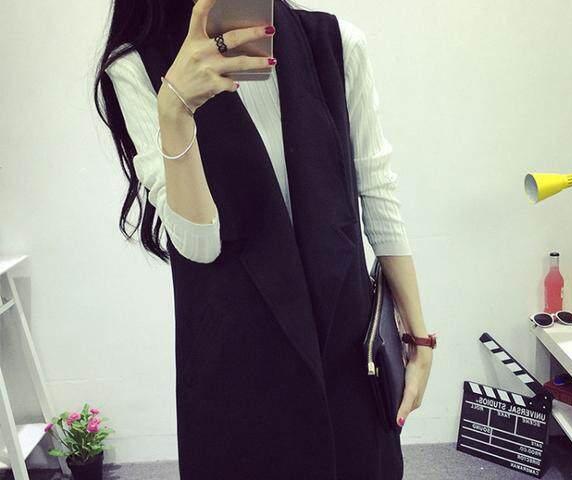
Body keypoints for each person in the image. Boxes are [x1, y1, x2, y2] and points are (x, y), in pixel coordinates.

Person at [95, 0, 434, 478]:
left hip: (346, 344)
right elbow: (198, 244)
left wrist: (419, 337)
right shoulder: (138, 66)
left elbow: (377, 190)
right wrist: (174, 112)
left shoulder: (336, 43)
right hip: (236, 356)